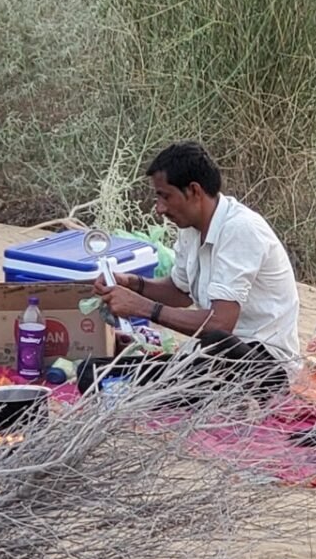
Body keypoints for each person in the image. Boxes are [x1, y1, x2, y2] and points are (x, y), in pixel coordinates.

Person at [87, 141, 300, 397]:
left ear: (194, 191)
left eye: (165, 196)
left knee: (213, 343)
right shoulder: (191, 228)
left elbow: (220, 324)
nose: (160, 209)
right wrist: (132, 283)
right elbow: (179, 290)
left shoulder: (240, 229)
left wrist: (141, 307)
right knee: (93, 374)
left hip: (260, 365)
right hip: (212, 360)